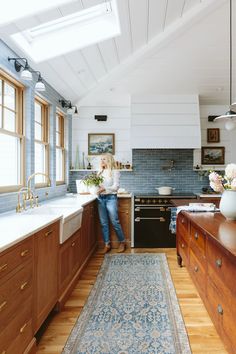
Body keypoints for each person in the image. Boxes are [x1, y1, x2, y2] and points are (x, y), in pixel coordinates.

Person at [97, 153, 126, 254]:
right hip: (100, 198)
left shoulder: (115, 171)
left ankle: (122, 242)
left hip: (111, 198)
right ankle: (107, 244)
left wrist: (105, 189)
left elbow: (116, 187)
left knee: (114, 221)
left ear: (109, 160)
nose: (102, 161)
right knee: (103, 223)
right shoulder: (100, 171)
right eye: (101, 159)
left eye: (104, 159)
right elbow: (97, 186)